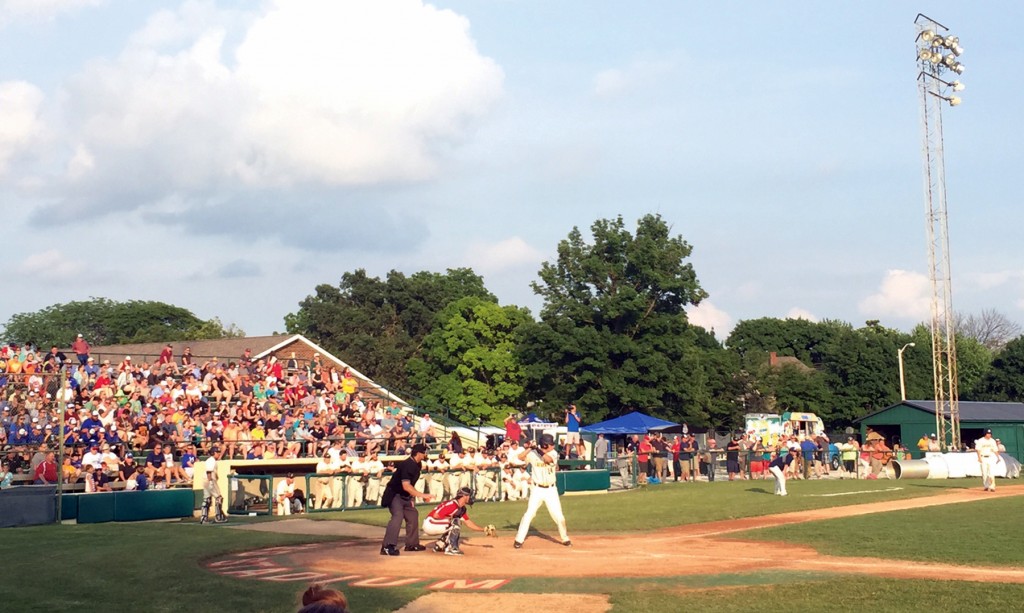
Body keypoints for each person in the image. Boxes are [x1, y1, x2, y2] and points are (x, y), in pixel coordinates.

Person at [514, 433, 571, 549]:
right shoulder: (533, 453)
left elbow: (548, 460)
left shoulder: (553, 453)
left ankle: (565, 538)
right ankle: (519, 539)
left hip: (551, 490)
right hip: (537, 489)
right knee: (529, 514)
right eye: (550, 444)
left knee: (559, 516)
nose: (552, 446)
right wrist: (531, 448)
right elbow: (520, 457)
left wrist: (538, 449)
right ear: (544, 445)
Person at [380, 443, 434, 556]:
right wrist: (423, 495)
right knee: (397, 516)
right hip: (395, 494)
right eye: (424, 452)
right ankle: (387, 546)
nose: (426, 454)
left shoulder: (417, 464)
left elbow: (410, 485)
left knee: (413, 515)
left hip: (406, 496)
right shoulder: (407, 465)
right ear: (419, 453)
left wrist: (412, 498)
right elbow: (406, 486)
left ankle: (412, 544)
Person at [422, 486, 488, 556]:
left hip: (435, 524)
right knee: (455, 522)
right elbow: (436, 515)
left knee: (455, 521)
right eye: (469, 495)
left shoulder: (461, 508)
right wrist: (451, 518)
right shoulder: (452, 504)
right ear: (464, 496)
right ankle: (451, 549)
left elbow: (468, 523)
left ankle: (441, 544)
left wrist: (484, 529)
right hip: (430, 523)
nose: (471, 497)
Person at [201, 446, 227, 524]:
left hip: (207, 481)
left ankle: (204, 518)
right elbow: (209, 471)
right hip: (209, 481)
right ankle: (218, 517)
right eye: (217, 452)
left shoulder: (211, 460)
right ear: (213, 453)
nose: (219, 454)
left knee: (207, 499)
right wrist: (211, 481)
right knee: (219, 498)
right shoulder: (211, 460)